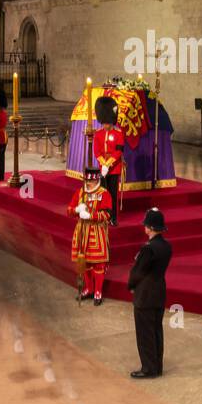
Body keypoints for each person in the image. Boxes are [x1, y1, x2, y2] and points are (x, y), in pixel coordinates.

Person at [128, 207, 171, 379]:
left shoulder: (148, 249)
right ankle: (157, 366)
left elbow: (138, 271)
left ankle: (148, 368)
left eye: (146, 224)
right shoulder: (167, 246)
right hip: (159, 291)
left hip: (145, 294)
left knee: (145, 333)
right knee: (156, 331)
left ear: (151, 227)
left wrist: (131, 285)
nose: (144, 227)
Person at [68, 166, 112, 305]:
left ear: (97, 180)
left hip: (96, 232)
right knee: (84, 263)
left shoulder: (104, 194)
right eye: (86, 180)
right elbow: (69, 210)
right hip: (81, 232)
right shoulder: (80, 192)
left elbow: (107, 215)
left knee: (98, 264)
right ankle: (89, 288)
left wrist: (91, 215)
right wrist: (76, 210)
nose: (87, 183)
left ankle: (98, 291)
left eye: (90, 181)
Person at [92, 94, 125, 224]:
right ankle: (104, 216)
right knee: (103, 194)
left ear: (112, 121)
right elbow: (97, 151)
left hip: (115, 169)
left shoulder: (118, 134)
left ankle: (113, 217)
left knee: (113, 194)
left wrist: (109, 164)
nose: (105, 125)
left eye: (107, 122)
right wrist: (103, 164)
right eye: (104, 122)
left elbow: (118, 151)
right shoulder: (98, 134)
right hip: (103, 168)